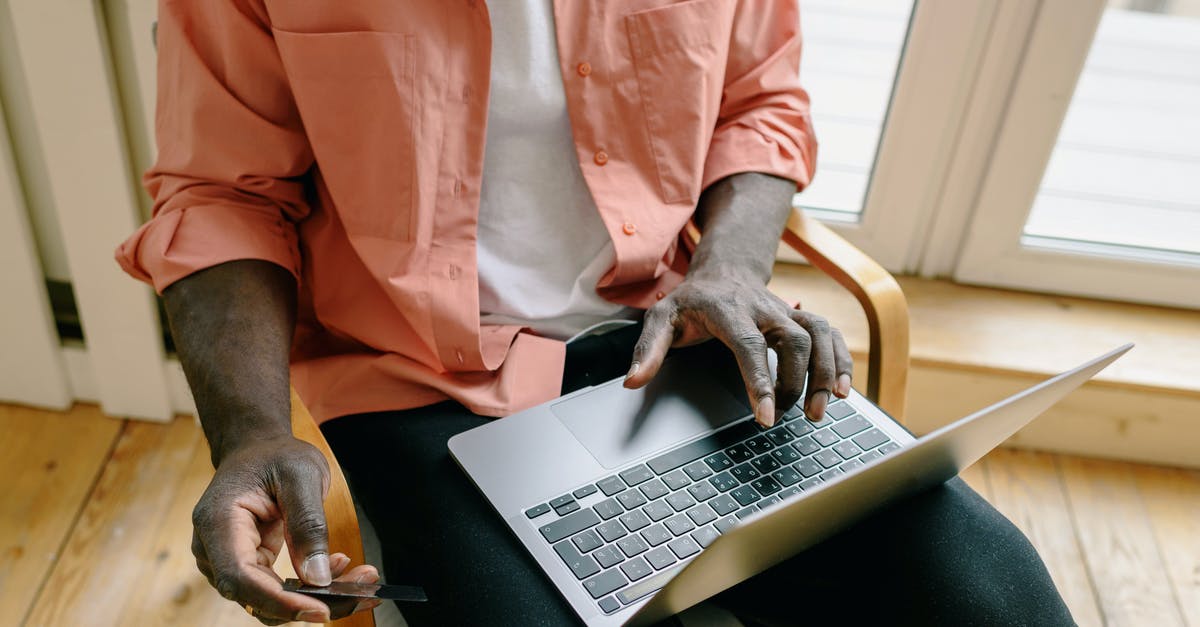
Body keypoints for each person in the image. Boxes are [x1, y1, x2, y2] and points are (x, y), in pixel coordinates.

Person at [117, 1, 1076, 625]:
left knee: (995, 602)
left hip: (677, 335)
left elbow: (759, 100)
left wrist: (735, 267)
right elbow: (221, 195)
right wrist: (245, 431)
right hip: (419, 385)